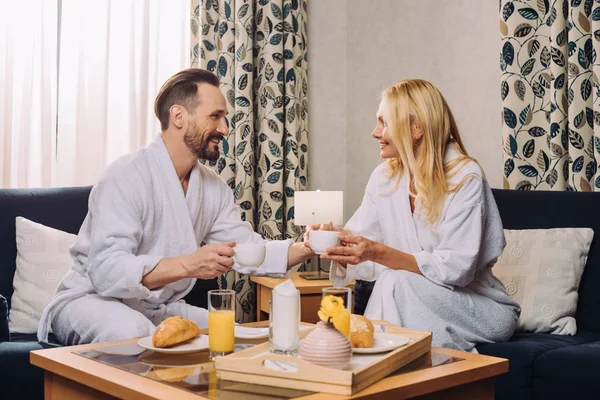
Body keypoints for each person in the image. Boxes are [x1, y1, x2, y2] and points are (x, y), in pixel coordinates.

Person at [38, 68, 313, 345]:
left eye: (225, 118)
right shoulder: (125, 175)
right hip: (89, 300)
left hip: (152, 308)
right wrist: (188, 265)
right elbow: (107, 271)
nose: (225, 129)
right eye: (215, 116)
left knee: (238, 336)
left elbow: (246, 250)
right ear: (179, 116)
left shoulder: (212, 187)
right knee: (131, 331)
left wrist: (308, 247)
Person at [306, 79, 520, 352]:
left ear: (416, 127)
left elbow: (457, 269)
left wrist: (377, 252)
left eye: (384, 122)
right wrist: (333, 238)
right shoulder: (385, 177)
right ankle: (396, 373)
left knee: (396, 280)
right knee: (395, 281)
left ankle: (374, 362)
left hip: (481, 308)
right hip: (410, 295)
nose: (375, 132)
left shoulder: (466, 178)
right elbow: (364, 246)